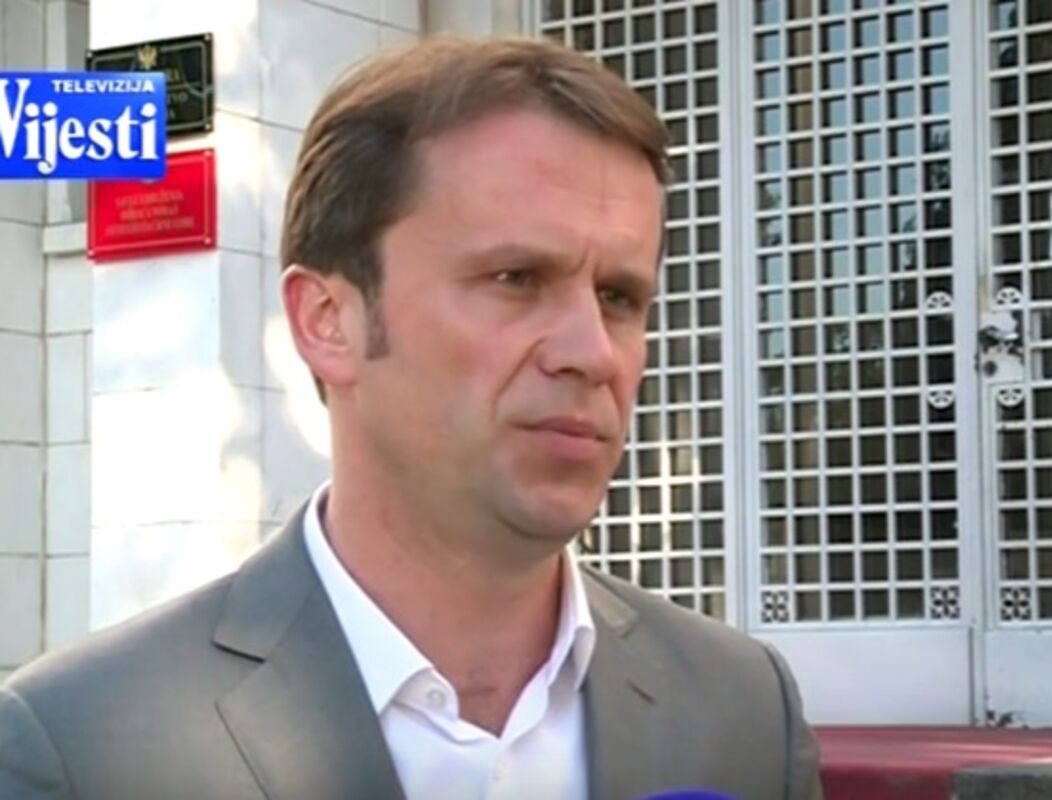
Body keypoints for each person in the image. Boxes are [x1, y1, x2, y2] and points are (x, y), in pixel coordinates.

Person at [0, 37, 822, 800]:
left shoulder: (746, 711)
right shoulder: (83, 745)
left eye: (618, 296)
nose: (592, 352)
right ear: (328, 321)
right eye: (515, 278)